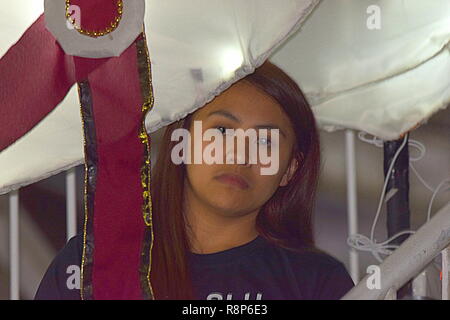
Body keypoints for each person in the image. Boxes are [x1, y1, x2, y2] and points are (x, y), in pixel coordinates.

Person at [35, 61, 354, 300]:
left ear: (290, 170)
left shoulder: (317, 283)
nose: (238, 155)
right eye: (222, 131)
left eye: (265, 142)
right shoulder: (90, 264)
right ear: (182, 143)